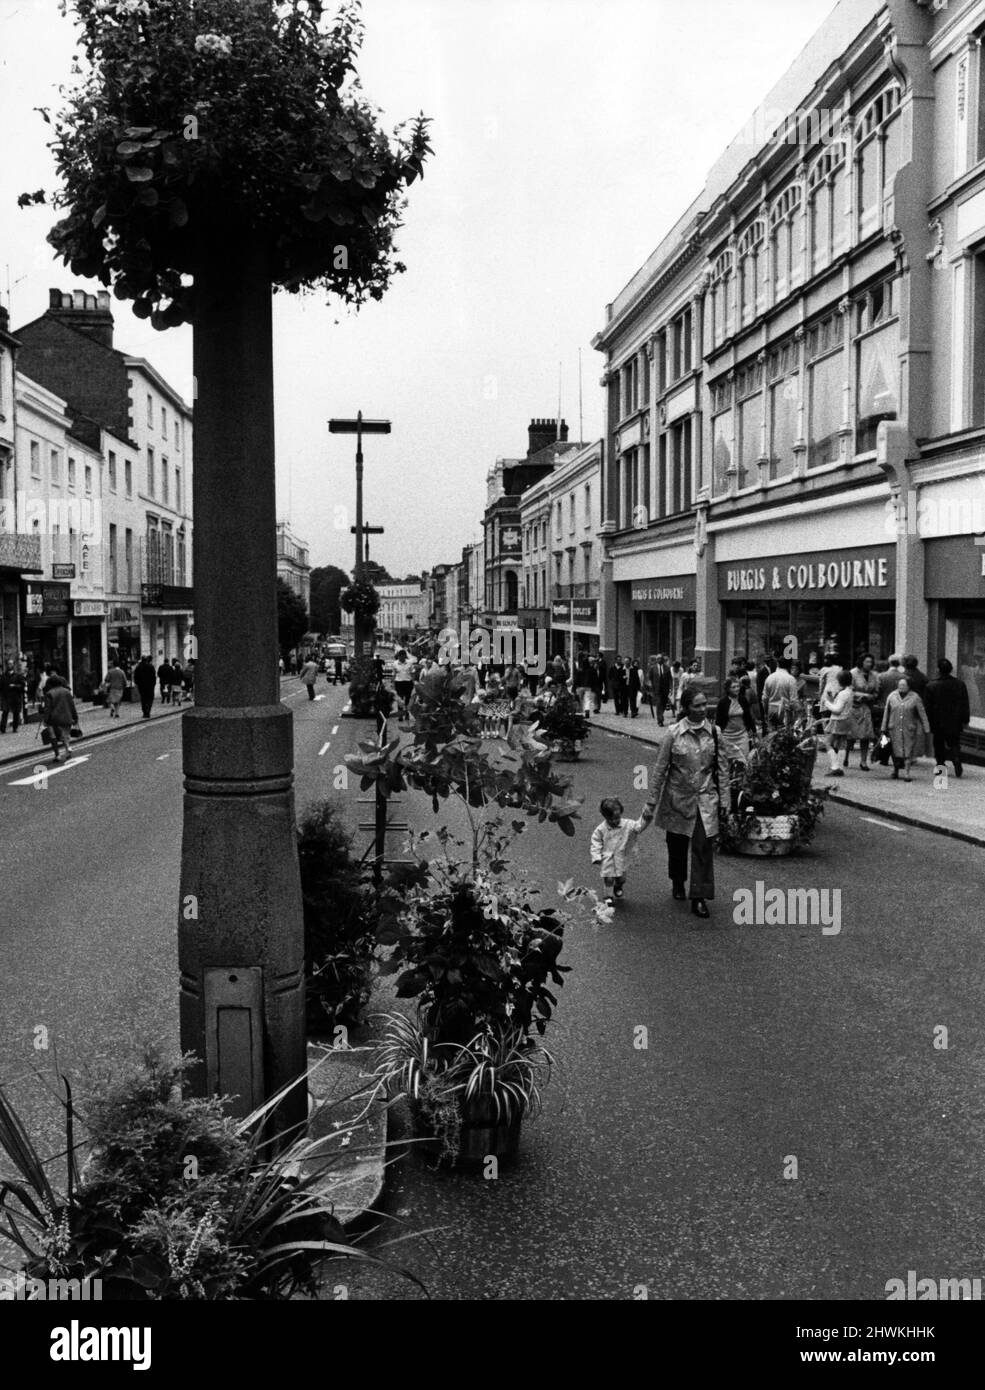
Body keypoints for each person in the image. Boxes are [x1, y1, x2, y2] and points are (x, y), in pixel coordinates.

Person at [648, 686, 730, 920]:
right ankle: (677, 880)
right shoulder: (673, 733)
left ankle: (700, 897)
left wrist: (725, 800)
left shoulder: (715, 732)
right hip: (677, 799)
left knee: (703, 848)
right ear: (686, 708)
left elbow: (722, 769)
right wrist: (652, 802)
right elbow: (659, 770)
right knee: (676, 845)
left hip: (705, 798)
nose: (703, 709)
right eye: (697, 705)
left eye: (705, 704)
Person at [590, 797, 655, 906]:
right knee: (609, 878)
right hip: (608, 857)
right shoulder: (601, 829)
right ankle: (608, 896)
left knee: (621, 878)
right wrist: (596, 856)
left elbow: (638, 827)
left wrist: (645, 818)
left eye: (618, 817)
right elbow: (596, 841)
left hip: (621, 857)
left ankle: (618, 886)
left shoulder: (627, 824)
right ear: (605, 817)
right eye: (612, 818)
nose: (616, 820)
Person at [924, 657, 970, 778]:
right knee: (954, 742)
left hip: (938, 720)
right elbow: (965, 703)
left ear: (938, 670)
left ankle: (940, 767)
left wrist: (928, 721)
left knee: (939, 745)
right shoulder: (960, 684)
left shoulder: (931, 686)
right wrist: (965, 719)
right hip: (955, 720)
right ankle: (956, 759)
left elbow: (928, 707)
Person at [881, 676, 931, 782]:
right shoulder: (892, 696)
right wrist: (883, 727)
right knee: (895, 751)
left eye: (904, 685)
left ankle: (907, 773)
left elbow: (922, 714)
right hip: (893, 728)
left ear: (909, 686)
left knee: (908, 751)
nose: (901, 687)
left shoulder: (915, 697)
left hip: (909, 728)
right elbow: (886, 712)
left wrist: (926, 728)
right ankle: (895, 770)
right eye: (900, 685)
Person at [846, 653, 879, 770]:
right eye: (867, 662)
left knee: (865, 735)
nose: (869, 664)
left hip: (865, 708)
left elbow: (876, 691)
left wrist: (871, 696)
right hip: (853, 707)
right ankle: (846, 756)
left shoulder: (874, 675)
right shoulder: (853, 673)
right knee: (851, 735)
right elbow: (848, 689)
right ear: (861, 662)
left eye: (871, 662)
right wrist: (861, 695)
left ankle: (863, 761)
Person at [715, 676, 757, 766]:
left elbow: (748, 716)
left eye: (738, 686)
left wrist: (754, 731)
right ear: (728, 689)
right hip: (727, 736)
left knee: (744, 761)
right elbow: (718, 721)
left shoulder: (742, 699)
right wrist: (717, 735)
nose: (736, 689)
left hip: (742, 735)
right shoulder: (722, 702)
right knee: (728, 763)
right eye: (733, 687)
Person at [821, 668, 855, 777]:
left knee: (827, 742)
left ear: (840, 681)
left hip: (838, 720)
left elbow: (837, 710)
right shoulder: (849, 692)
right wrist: (832, 699)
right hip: (846, 720)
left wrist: (826, 702)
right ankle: (840, 767)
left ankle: (835, 767)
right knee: (842, 744)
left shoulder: (843, 693)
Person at [42, 674, 79, 764]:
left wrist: (45, 720)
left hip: (54, 719)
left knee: (53, 736)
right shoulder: (67, 692)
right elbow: (72, 705)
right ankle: (67, 748)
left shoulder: (49, 693)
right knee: (65, 735)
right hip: (67, 717)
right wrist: (75, 717)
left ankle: (57, 755)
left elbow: (48, 708)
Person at [762, 657, 799, 727]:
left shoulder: (770, 677)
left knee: (772, 734)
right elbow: (793, 701)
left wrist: (766, 713)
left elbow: (764, 698)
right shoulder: (791, 679)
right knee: (784, 735)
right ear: (790, 666)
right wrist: (797, 715)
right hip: (785, 712)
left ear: (778, 664)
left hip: (771, 710)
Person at [0, 661, 26, 734]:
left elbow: (22, 686)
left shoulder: (18, 675)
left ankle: (15, 727)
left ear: (13, 665)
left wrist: (15, 686)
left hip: (15, 697)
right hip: (6, 697)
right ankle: (2, 728)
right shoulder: (3, 676)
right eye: (8, 664)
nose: (9, 665)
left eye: (11, 664)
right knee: (5, 712)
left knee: (16, 713)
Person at [647, 653, 672, 725]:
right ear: (656, 660)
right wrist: (650, 688)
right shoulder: (653, 668)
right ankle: (660, 720)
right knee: (659, 704)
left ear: (662, 660)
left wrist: (670, 688)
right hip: (656, 690)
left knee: (663, 704)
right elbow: (650, 678)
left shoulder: (667, 668)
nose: (659, 660)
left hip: (665, 689)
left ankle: (661, 715)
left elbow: (670, 679)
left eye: (660, 658)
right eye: (658, 659)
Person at [393, 648, 416, 718]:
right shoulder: (395, 663)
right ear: (399, 656)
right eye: (400, 657)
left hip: (408, 682)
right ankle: (400, 715)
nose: (402, 658)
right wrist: (393, 683)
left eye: (403, 657)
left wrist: (414, 681)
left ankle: (406, 714)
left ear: (405, 656)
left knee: (407, 699)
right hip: (399, 683)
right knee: (399, 699)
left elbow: (413, 672)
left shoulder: (409, 663)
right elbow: (394, 674)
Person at [133, 654, 157, 719]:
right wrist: (153, 684)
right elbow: (154, 677)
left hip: (141, 686)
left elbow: (135, 677)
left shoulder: (138, 667)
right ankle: (148, 711)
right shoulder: (151, 666)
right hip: (150, 686)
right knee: (150, 699)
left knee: (143, 699)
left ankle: (144, 712)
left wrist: (137, 684)